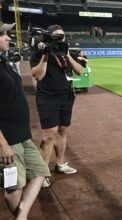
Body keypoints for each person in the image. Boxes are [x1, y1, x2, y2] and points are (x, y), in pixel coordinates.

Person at [0, 21, 51, 219]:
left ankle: (21, 218)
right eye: (3, 35)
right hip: (7, 139)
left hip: (23, 136)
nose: (8, 38)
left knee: (40, 171)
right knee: (14, 187)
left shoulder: (3, 61)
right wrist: (2, 143)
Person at [30, 25, 83, 188]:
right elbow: (38, 75)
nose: (60, 38)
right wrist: (46, 55)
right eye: (57, 36)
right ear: (49, 37)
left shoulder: (67, 52)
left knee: (62, 130)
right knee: (48, 136)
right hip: (48, 98)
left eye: (62, 35)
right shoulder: (39, 53)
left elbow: (80, 71)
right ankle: (42, 173)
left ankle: (60, 164)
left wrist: (67, 53)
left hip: (66, 96)